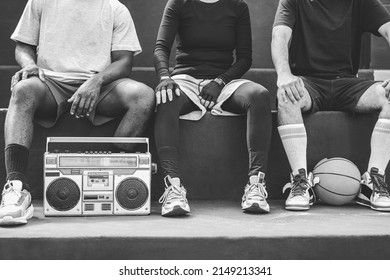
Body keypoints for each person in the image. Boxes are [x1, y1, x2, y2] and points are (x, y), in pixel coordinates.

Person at [0, 0, 155, 225]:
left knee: (144, 96)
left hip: (98, 87)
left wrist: (97, 80)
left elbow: (124, 61)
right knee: (22, 90)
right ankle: (16, 188)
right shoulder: (40, 1)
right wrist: (29, 64)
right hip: (49, 82)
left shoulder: (115, 8)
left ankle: (112, 177)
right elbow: (23, 47)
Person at [154, 0, 272, 217]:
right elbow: (161, 48)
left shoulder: (238, 6)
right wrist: (164, 77)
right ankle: (174, 187)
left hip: (224, 81)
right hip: (186, 79)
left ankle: (256, 185)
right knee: (166, 97)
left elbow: (245, 58)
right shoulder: (179, 3)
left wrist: (220, 81)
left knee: (260, 95)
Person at [272, 0, 390, 211]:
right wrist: (283, 73)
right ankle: (301, 182)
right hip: (308, 83)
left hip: (348, 84)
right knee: (286, 96)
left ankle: (373, 182)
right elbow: (280, 36)